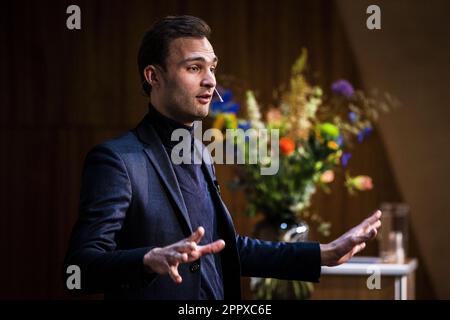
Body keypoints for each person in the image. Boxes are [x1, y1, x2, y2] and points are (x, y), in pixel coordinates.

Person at [64, 15, 382, 300]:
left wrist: (324, 254)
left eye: (212, 68)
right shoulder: (117, 160)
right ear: (153, 76)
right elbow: (79, 268)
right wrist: (149, 259)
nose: (210, 80)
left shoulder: (201, 150)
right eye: (194, 67)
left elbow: (225, 248)